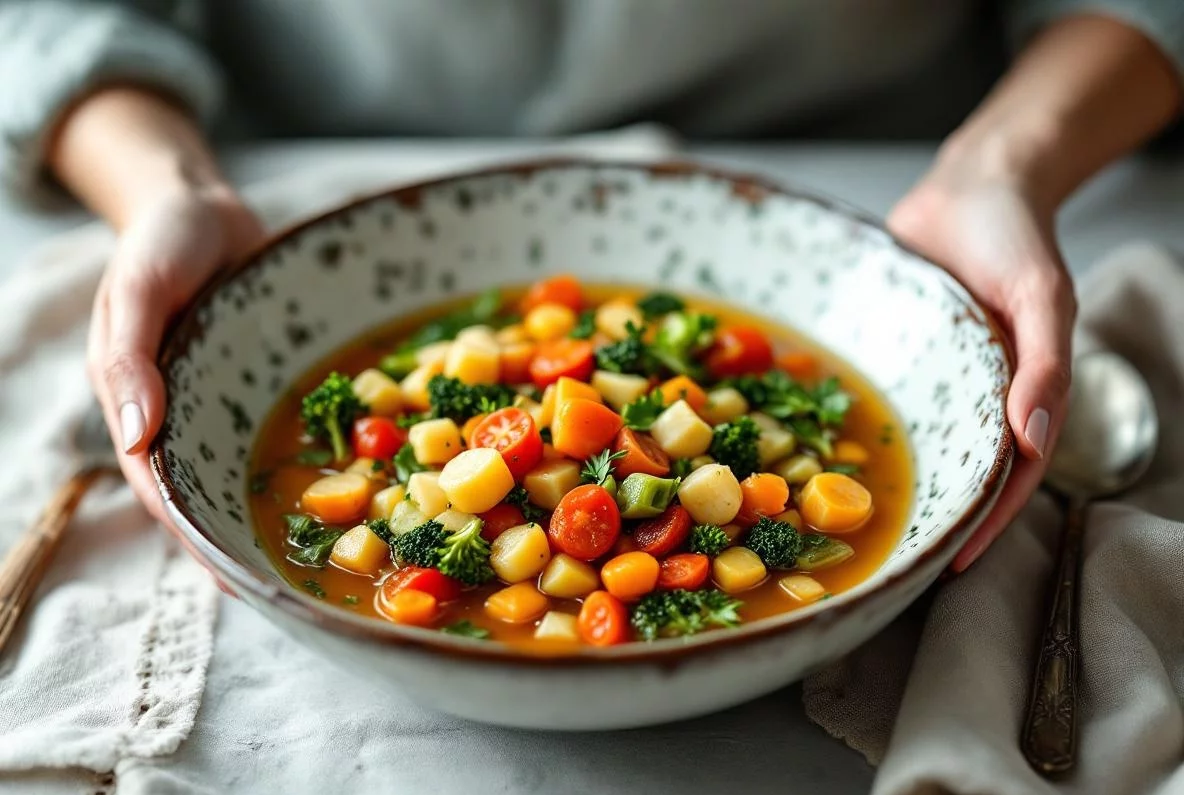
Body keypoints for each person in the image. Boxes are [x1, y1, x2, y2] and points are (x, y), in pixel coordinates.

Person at [2, 1, 1180, 571]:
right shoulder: (435, 457)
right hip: (299, 141)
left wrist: (1002, 164)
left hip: (888, 146)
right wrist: (162, 185)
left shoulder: (701, 445)